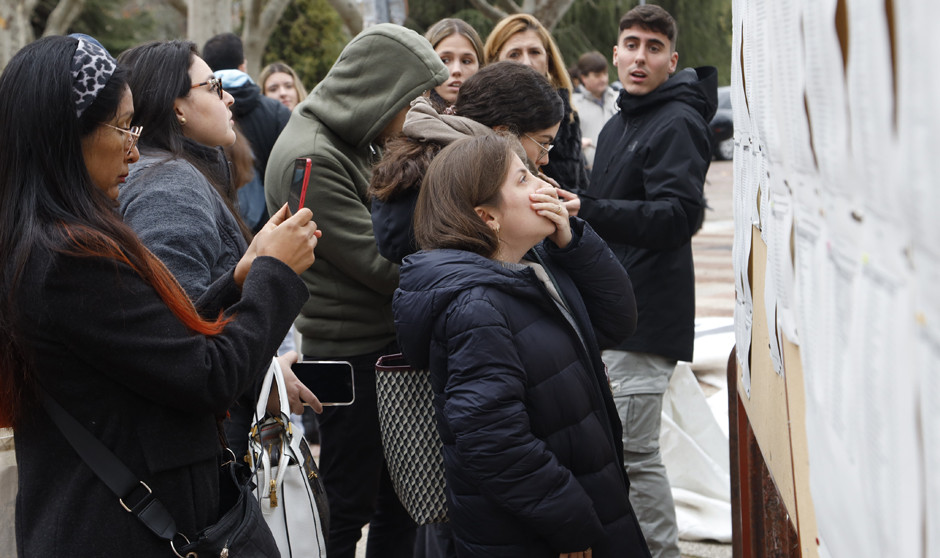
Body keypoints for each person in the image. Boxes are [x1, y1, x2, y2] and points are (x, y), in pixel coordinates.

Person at [0, 34, 318, 556]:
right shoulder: (67, 256)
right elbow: (204, 375)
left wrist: (239, 280)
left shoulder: (49, 238)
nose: (133, 145)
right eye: (123, 126)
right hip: (125, 528)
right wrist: (274, 275)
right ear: (65, 137)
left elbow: (152, 343)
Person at [393, 134, 650, 558]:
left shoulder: (532, 267)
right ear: (487, 217)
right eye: (524, 180)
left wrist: (573, 241)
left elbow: (617, 320)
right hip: (536, 532)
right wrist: (570, 520)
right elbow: (493, 440)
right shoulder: (476, 305)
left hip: (578, 505)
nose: (545, 188)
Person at [265, 23, 449, 558]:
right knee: (350, 506)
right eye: (411, 97)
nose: (415, 112)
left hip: (376, 347)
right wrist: (462, 256)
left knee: (400, 501)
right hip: (354, 357)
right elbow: (378, 261)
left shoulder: (345, 139)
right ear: (379, 90)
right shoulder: (313, 156)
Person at [117, 39, 321, 462]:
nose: (228, 96)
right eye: (212, 86)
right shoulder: (169, 185)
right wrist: (272, 267)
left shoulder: (174, 172)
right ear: (177, 107)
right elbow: (179, 342)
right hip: (199, 451)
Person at [575, 6, 717, 558]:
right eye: (631, 44)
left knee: (635, 456)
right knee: (621, 453)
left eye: (653, 47)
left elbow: (679, 217)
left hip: (645, 318)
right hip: (613, 313)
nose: (640, 56)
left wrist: (588, 209)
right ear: (615, 53)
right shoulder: (620, 121)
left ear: (671, 60)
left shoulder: (677, 121)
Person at [371, 61, 565, 265]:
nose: (544, 159)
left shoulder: (424, 153)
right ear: (502, 134)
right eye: (543, 144)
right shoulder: (457, 183)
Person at [484, 13, 589, 190]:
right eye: (514, 54)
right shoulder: (480, 116)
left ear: (548, 61)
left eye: (534, 52)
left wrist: (578, 203)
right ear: (495, 62)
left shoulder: (568, 116)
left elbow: (580, 183)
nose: (526, 62)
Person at [203, 32, 292, 232]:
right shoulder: (276, 112)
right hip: (272, 226)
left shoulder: (200, 114)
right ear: (243, 65)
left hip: (217, 226)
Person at [423, 18, 484, 112]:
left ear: (480, 67)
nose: (457, 70)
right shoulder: (406, 117)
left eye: (466, 61)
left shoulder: (500, 118)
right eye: (444, 60)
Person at [572, 51, 619, 170]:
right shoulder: (572, 104)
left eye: (605, 74)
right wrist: (578, 144)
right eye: (597, 75)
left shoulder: (618, 99)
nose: (603, 79)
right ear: (584, 78)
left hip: (618, 169)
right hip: (587, 172)